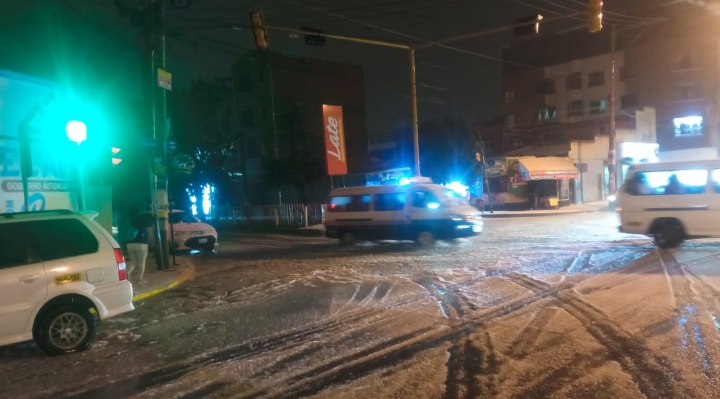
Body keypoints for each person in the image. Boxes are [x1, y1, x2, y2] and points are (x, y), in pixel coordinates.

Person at [126, 213, 150, 284]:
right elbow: (147, 237)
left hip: (130, 245)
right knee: (141, 262)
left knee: (133, 261)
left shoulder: (132, 227)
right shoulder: (144, 228)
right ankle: (139, 279)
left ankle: (128, 272)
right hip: (142, 245)